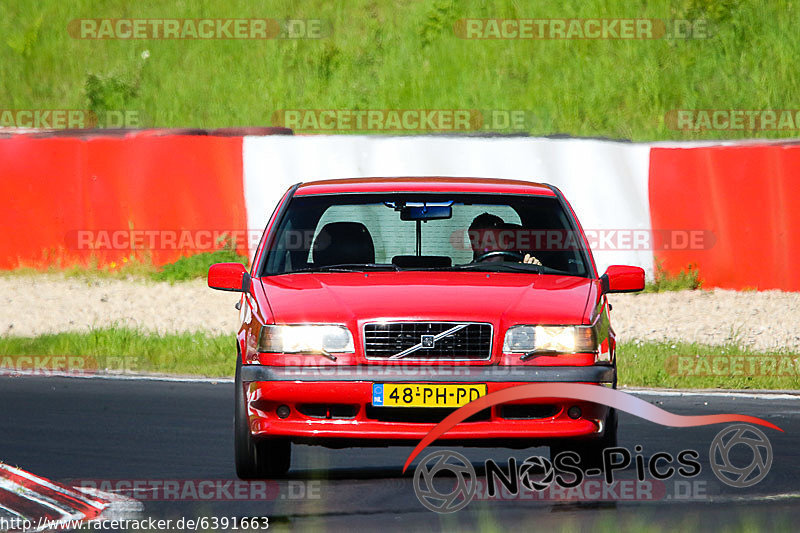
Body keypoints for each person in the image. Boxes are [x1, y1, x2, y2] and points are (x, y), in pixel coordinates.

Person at [467, 213, 541, 265]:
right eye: (480, 243)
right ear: (473, 247)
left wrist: (534, 268)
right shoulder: (466, 276)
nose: (485, 249)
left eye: (491, 242)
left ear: (505, 243)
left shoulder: (520, 270)